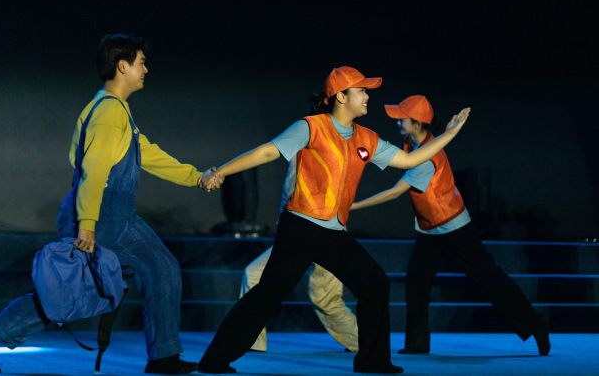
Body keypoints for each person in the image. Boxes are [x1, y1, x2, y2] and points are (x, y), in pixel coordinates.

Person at [0, 33, 223, 375]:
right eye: (142, 63)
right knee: (68, 293)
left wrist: (196, 177)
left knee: (162, 269)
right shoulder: (107, 113)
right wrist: (87, 223)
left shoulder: (116, 110)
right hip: (102, 215)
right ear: (123, 66)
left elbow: (148, 154)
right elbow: (93, 171)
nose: (146, 69)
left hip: (121, 215)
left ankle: (164, 356)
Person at [197, 67, 471, 374]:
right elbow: (266, 153)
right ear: (341, 96)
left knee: (375, 284)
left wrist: (448, 134)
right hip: (301, 226)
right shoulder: (310, 127)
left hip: (333, 231)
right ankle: (214, 360)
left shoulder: (366, 137)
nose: (367, 96)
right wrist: (219, 172)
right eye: (361, 91)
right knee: (268, 293)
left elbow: (408, 160)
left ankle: (373, 362)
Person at [350, 95, 550, 356]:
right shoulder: (410, 141)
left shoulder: (427, 158)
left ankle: (536, 325)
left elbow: (394, 192)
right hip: (429, 228)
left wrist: (352, 206)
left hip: (453, 226)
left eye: (402, 118)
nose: (397, 121)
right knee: (417, 281)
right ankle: (417, 344)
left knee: (488, 278)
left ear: (417, 123)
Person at [240, 106, 359, 354]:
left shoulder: (325, 147)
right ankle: (250, 340)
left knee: (325, 297)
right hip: (301, 231)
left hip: (322, 230)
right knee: (254, 276)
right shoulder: (301, 143)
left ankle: (363, 343)